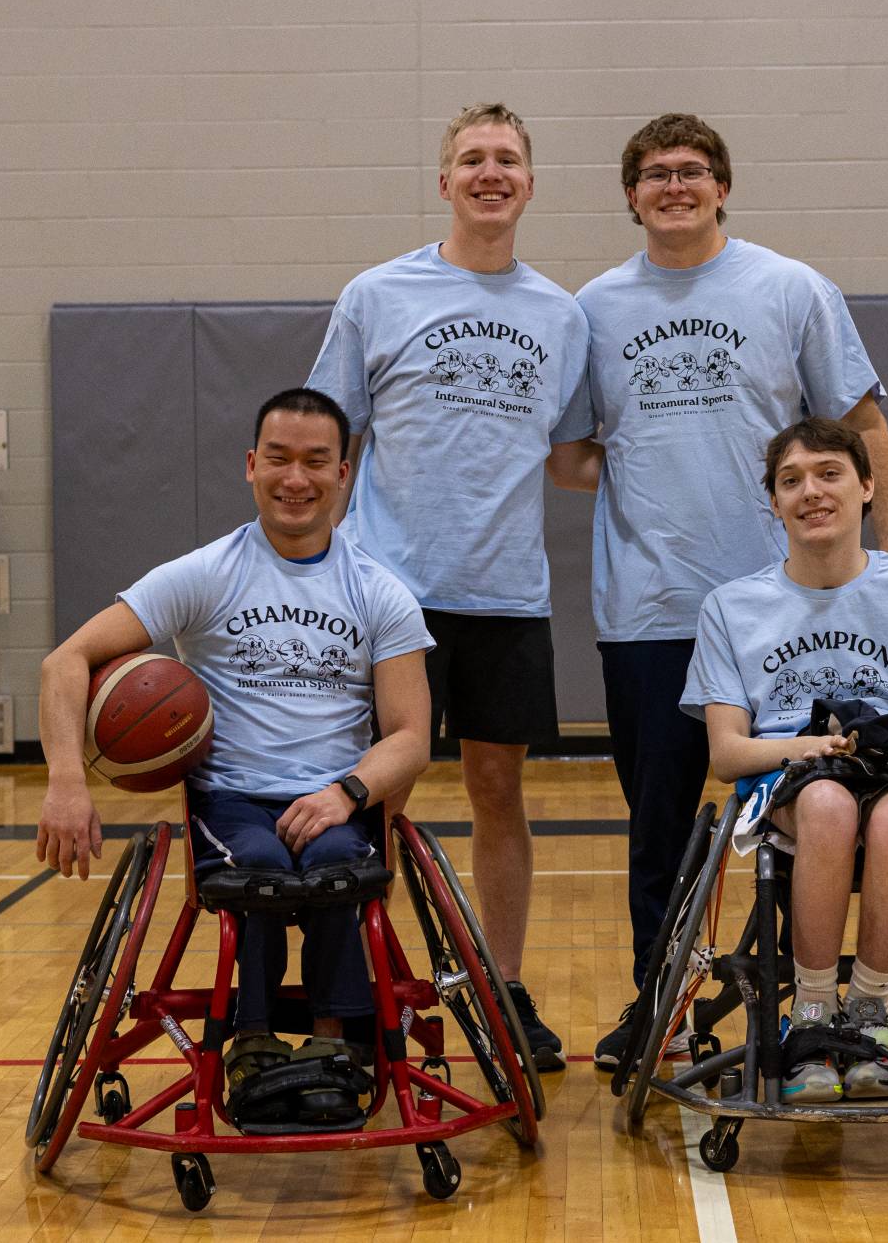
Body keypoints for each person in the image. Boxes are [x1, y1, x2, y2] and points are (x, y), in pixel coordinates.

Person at [573, 113, 888, 1069]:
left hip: (790, 610)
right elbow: (570, 455)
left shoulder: (791, 287)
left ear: (724, 184)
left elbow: (863, 428)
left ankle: (825, 1007)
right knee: (661, 830)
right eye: (652, 174)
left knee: (825, 807)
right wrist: (655, 483)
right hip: (651, 613)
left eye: (691, 171)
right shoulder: (593, 306)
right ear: (630, 194)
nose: (673, 187)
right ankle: (662, 1002)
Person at [34, 387, 434, 1113]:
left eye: (317, 461)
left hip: (336, 793)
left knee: (339, 865)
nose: (296, 478)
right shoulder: (206, 572)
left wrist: (345, 792)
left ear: (344, 474)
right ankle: (249, 1039)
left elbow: (410, 735)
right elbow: (65, 662)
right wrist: (66, 778)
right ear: (251, 465)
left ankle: (334, 1040)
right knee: (258, 867)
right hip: (234, 797)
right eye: (278, 458)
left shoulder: (381, 592)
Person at [305, 102, 594, 1071]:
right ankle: (351, 999)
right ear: (443, 182)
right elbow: (323, 442)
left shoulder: (561, 315)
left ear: (528, 182)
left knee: (494, 789)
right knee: (373, 801)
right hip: (387, 602)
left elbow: (569, 461)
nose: (488, 172)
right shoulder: (376, 295)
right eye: (470, 158)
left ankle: (501, 992)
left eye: (506, 158)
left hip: (505, 596)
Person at [681, 416, 888, 1102]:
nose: (811, 491)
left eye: (829, 473)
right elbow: (724, 752)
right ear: (773, 502)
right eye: (791, 480)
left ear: (867, 486)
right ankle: (809, 1016)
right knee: (829, 802)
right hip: (789, 780)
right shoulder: (732, 606)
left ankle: (869, 1017)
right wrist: (805, 748)